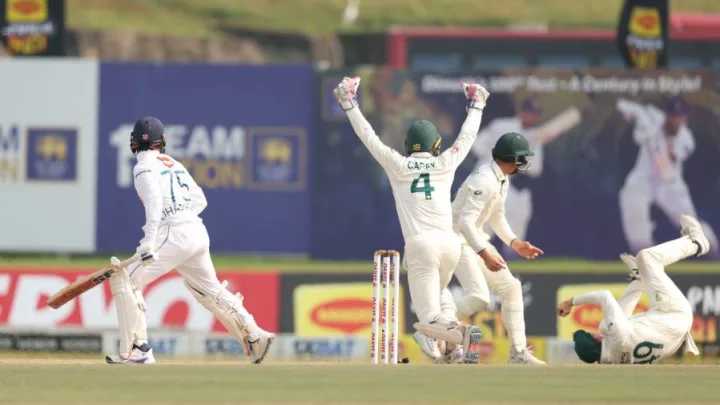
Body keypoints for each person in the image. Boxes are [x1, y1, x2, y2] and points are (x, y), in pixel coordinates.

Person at [334, 77, 488, 362]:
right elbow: (466, 138)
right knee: (440, 296)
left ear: (408, 145)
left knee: (427, 321)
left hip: (421, 246)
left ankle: (458, 335)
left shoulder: (398, 164)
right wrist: (477, 104)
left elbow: (368, 137)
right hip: (450, 246)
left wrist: (349, 103)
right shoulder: (445, 162)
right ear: (436, 145)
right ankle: (452, 349)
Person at [105, 116, 274, 364]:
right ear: (161, 141)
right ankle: (256, 335)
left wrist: (150, 241)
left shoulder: (142, 167)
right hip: (196, 230)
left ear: (134, 142)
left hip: (172, 233)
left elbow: (155, 203)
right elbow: (200, 200)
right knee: (210, 289)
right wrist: (182, 218)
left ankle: (137, 349)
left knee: (126, 279)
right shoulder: (173, 163)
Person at [417, 132, 546, 365]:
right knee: (478, 297)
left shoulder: (501, 179)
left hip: (474, 239)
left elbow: (497, 216)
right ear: (510, 159)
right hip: (456, 240)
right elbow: (465, 222)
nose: (523, 162)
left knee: (512, 288)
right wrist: (485, 254)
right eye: (521, 158)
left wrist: (515, 243)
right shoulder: (484, 180)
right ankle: (431, 328)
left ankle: (518, 353)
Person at [557, 214, 708, 364]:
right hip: (674, 314)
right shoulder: (616, 335)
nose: (594, 333)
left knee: (609, 325)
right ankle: (697, 243)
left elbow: (619, 320)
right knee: (646, 258)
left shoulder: (611, 359)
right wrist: (571, 302)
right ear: (596, 340)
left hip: (673, 336)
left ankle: (638, 279)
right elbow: (604, 296)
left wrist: (638, 281)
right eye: (591, 335)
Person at [471, 98, 580, 254]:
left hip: (509, 185)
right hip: (486, 180)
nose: (532, 117)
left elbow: (535, 169)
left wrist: (518, 160)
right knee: (481, 225)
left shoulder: (534, 138)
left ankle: (512, 260)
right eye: (529, 112)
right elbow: (477, 145)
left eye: (535, 114)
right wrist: (495, 156)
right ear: (521, 112)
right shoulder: (501, 126)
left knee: (518, 217)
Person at [616, 97, 718, 254]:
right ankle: (642, 253)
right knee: (630, 199)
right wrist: (631, 115)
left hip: (670, 184)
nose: (676, 120)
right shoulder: (653, 119)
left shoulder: (686, 140)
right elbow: (627, 107)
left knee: (691, 225)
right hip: (643, 179)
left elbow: (665, 165)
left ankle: (713, 251)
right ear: (666, 115)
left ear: (685, 118)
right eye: (673, 116)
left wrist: (654, 139)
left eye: (680, 116)